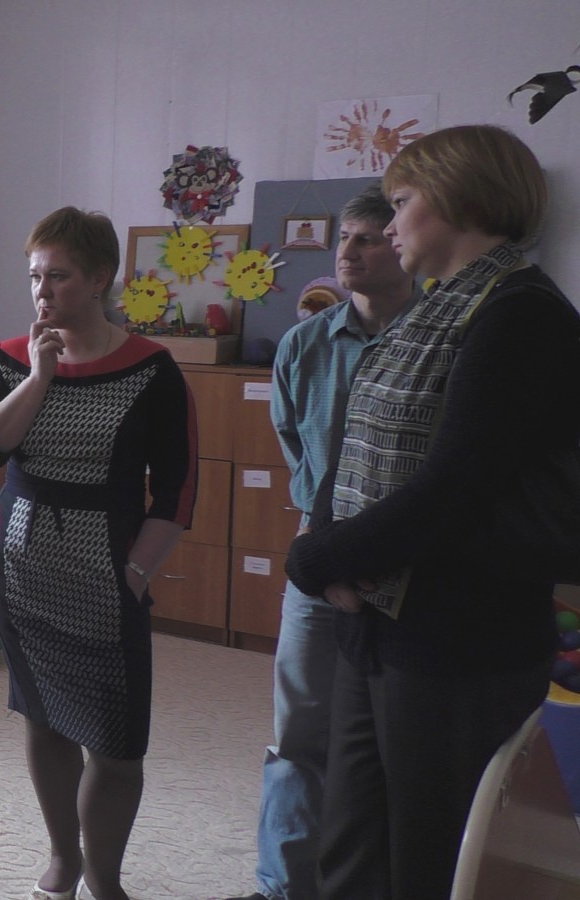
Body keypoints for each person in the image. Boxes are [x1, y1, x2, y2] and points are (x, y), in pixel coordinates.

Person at [285, 124, 580, 898]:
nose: (389, 226)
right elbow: (356, 443)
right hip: (379, 624)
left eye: (402, 202)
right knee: (353, 848)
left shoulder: (522, 315)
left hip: (458, 643)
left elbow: (453, 490)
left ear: (458, 197)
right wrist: (329, 548)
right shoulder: (431, 310)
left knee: (429, 857)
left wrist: (317, 558)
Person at [0, 208, 197, 900]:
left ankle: (106, 879)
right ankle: (63, 858)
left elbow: (178, 489)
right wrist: (39, 377)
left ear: (99, 279)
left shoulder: (151, 368)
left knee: (117, 743)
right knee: (44, 716)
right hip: (21, 570)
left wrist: (136, 572)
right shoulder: (11, 358)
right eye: (35, 276)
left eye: (58, 276)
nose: (42, 290)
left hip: (107, 575)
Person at [227, 185, 418, 900]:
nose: (348, 252)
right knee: (300, 733)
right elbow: (294, 442)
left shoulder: (437, 337)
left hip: (409, 565)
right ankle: (283, 886)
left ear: (401, 244)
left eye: (368, 238)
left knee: (393, 738)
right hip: (320, 557)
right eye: (344, 238)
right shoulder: (305, 345)